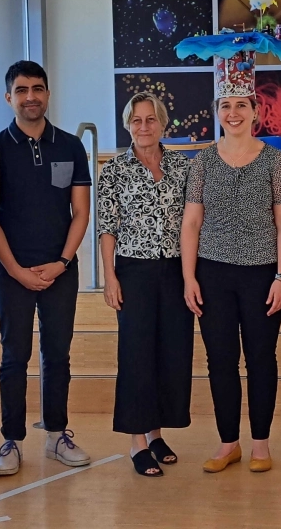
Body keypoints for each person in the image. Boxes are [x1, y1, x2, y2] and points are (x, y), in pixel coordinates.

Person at [181, 46, 281, 474]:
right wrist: (189, 277)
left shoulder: (274, 162)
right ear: (217, 111)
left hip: (263, 273)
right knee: (220, 360)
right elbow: (191, 224)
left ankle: (261, 444)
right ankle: (228, 441)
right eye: (225, 105)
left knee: (262, 359)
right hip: (212, 274)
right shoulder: (204, 162)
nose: (233, 112)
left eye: (241, 105)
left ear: (255, 111)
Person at [0, 61, 92, 476]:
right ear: (8, 96)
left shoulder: (70, 146)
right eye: (21, 89)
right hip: (10, 270)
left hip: (60, 270)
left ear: (48, 94)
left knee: (57, 355)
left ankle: (56, 435)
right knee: (14, 356)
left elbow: (81, 212)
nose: (30, 96)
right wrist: (14, 269)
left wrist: (62, 262)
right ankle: (11, 440)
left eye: (37, 88)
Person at [97, 92, 195, 478]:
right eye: (136, 120)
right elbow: (107, 228)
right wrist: (109, 277)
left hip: (174, 272)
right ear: (127, 125)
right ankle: (137, 441)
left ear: (163, 123)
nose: (143, 126)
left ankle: (156, 433)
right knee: (137, 354)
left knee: (170, 354)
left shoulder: (183, 167)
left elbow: (193, 224)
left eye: (150, 119)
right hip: (133, 272)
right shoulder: (114, 171)